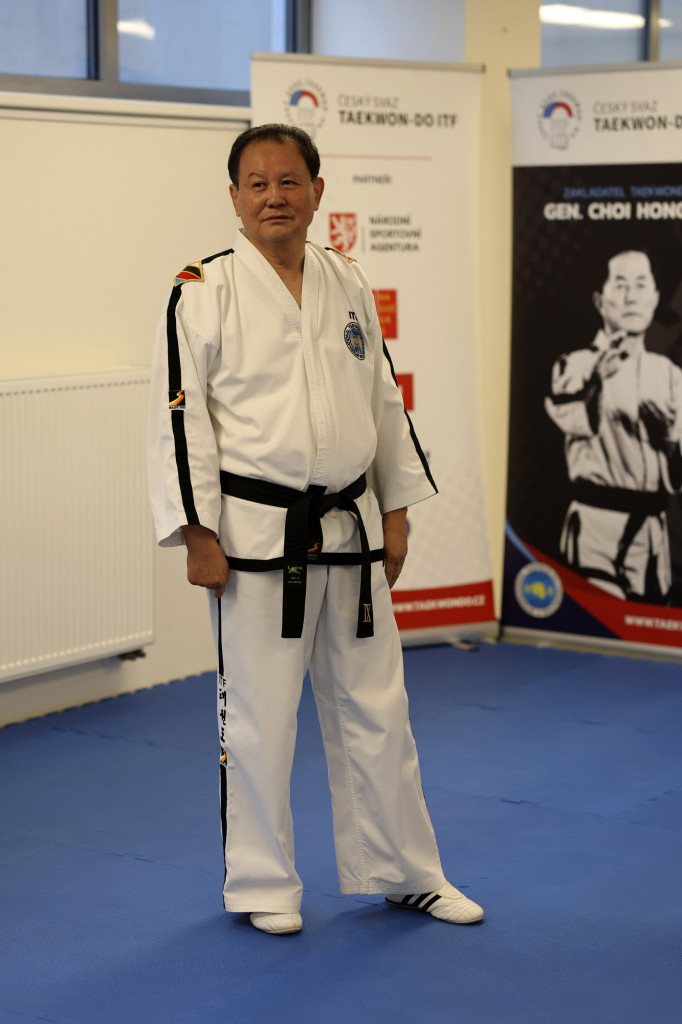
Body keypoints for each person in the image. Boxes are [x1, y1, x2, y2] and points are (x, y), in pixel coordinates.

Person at [147, 123, 483, 934]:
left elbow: (384, 400)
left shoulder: (347, 280)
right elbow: (179, 420)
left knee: (380, 707)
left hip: (351, 529)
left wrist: (396, 512)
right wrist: (197, 533)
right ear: (235, 198)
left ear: (317, 192)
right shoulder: (202, 289)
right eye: (258, 184)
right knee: (259, 717)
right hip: (256, 538)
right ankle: (264, 885)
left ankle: (406, 872)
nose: (275, 197)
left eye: (289, 181)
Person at [545, 249, 682, 602]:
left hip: (652, 533)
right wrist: (596, 384)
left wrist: (669, 439)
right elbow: (572, 419)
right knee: (601, 617)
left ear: (655, 298)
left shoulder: (670, 376)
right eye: (620, 285)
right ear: (599, 300)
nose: (631, 296)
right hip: (597, 526)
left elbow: (677, 473)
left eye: (641, 284)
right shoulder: (574, 365)